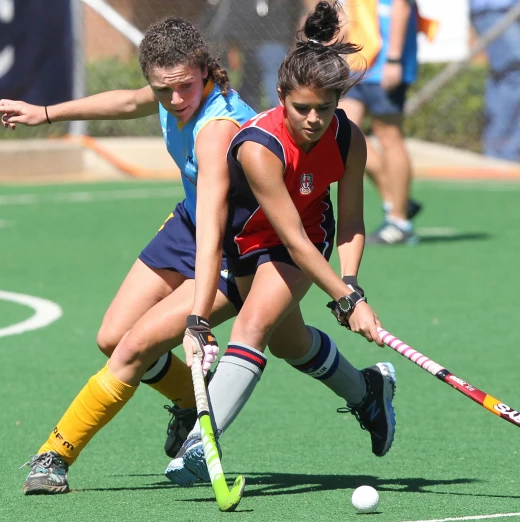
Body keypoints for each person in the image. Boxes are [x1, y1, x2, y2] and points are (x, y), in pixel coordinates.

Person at [0, 16, 387, 495]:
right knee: (116, 337)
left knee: (143, 346)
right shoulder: (170, 92)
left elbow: (220, 225)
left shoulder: (218, 130)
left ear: (206, 71)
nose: (175, 100)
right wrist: (47, 112)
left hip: (235, 241)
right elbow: (127, 102)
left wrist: (198, 318)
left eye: (184, 87)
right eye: (162, 90)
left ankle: (56, 454)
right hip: (189, 223)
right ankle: (194, 400)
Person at [166, 1, 397, 487]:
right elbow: (282, 234)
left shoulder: (348, 139)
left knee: (250, 327)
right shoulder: (258, 146)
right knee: (291, 343)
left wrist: (350, 284)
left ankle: (201, 444)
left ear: (339, 102)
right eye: (302, 108)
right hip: (250, 245)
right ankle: (368, 390)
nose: (314, 119)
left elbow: (350, 219)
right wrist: (344, 298)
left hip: (306, 242)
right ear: (279, 96)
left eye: (325, 108)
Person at [339, 0, 423, 245]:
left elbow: (401, 7)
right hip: (355, 63)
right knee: (344, 132)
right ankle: (397, 199)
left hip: (385, 64)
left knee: (389, 136)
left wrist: (394, 60)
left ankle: (400, 221)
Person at [469, 0, 520, 165]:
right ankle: (504, 153)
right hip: (495, 9)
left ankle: (497, 150)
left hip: (507, 9)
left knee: (504, 76)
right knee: (516, 75)